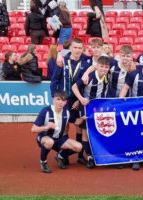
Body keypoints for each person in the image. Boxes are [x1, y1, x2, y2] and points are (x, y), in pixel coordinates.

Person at [51, 38, 92, 166]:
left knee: (80, 127)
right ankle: (63, 156)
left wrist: (80, 101)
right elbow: (54, 80)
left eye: (80, 48)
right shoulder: (62, 61)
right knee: (65, 127)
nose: (77, 50)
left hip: (77, 100)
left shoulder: (86, 62)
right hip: (64, 100)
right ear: (70, 48)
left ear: (83, 49)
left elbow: (85, 86)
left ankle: (80, 156)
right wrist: (56, 99)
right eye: (75, 47)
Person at [71, 56, 112, 168]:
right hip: (87, 108)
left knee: (99, 130)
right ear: (97, 66)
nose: (104, 69)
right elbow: (74, 87)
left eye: (106, 67)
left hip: (100, 109)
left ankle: (99, 155)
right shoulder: (88, 77)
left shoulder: (108, 76)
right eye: (102, 66)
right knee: (85, 132)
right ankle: (89, 156)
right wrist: (81, 99)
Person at [32, 90, 83, 173]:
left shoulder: (67, 112)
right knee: (49, 142)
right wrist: (46, 127)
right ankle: (43, 162)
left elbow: (76, 122)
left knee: (79, 147)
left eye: (63, 100)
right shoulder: (46, 111)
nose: (60, 102)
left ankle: (60, 155)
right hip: (44, 138)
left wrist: (85, 118)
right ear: (53, 99)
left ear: (66, 102)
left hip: (59, 139)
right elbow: (33, 129)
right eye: (58, 99)